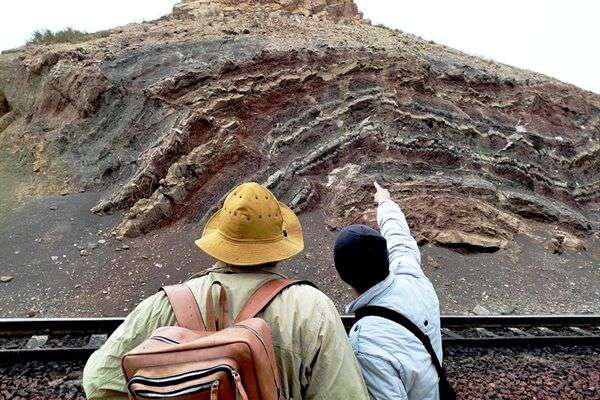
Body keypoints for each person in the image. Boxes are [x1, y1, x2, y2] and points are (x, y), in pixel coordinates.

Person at [83, 182, 369, 400]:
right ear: (279, 248)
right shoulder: (311, 308)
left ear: (220, 242)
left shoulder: (162, 305)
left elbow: (98, 382)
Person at [334, 181, 443, 400]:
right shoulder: (411, 276)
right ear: (386, 258)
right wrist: (385, 201)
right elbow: (399, 237)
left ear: (344, 277)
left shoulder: (366, 342)